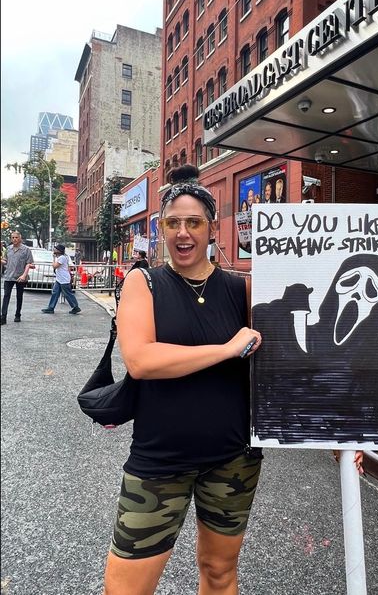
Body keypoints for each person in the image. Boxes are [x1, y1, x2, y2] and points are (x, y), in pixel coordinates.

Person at [102, 164, 264, 595]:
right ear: (161, 228)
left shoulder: (240, 288)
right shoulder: (144, 282)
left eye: (194, 222)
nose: (183, 233)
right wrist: (227, 349)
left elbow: (287, 366)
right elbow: (141, 360)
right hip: (160, 462)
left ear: (212, 229)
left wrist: (342, 436)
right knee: (125, 589)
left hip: (232, 460)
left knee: (219, 572)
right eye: (172, 223)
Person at [1, 231, 34, 324]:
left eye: (16, 237)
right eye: (13, 238)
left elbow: (29, 263)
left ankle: (17, 314)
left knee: (19, 296)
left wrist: (24, 275)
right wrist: (1, 260)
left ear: (20, 238)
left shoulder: (26, 250)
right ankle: (3, 317)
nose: (14, 239)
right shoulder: (8, 249)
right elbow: (5, 260)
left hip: (20, 276)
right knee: (6, 296)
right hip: (9, 276)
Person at [41, 244, 82, 315]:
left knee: (68, 294)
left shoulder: (62, 258)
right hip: (59, 279)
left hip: (63, 279)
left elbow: (55, 266)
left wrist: (53, 259)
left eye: (56, 249)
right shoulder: (62, 257)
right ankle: (51, 308)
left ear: (59, 251)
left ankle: (75, 307)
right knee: (55, 293)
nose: (54, 250)